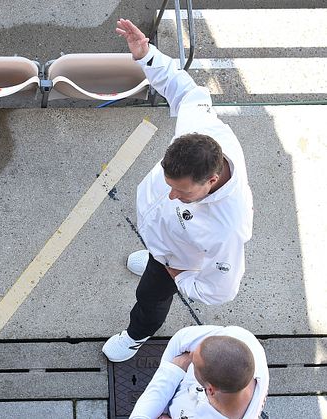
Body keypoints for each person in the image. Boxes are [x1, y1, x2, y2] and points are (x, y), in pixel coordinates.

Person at [102, 19, 254, 362]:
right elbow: (182, 88)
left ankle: (135, 335)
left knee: (151, 296)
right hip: (165, 237)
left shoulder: (227, 229)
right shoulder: (197, 127)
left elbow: (222, 290)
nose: (171, 196)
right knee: (157, 254)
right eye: (169, 184)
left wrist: (180, 277)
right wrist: (147, 55)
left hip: (178, 258)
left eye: (182, 193)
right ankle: (156, 254)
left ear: (211, 181)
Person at [130, 325, 269, 419]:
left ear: (210, 390)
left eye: (194, 363)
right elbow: (181, 339)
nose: (189, 356)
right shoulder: (241, 338)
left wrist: (174, 368)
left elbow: (178, 354)